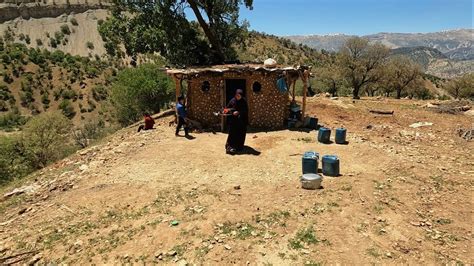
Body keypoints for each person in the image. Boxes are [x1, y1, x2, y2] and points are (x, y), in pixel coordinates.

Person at [225, 89, 248, 154]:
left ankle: (239, 147)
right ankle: (229, 146)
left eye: (239, 95)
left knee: (240, 134)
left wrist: (239, 112)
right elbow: (227, 108)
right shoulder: (232, 101)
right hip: (234, 121)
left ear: (241, 95)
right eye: (237, 95)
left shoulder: (244, 102)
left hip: (241, 122)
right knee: (232, 133)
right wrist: (229, 111)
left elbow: (245, 111)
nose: (237, 96)